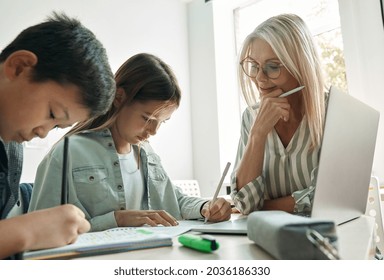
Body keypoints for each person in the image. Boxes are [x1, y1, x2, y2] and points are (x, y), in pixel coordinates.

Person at [29, 53, 232, 232]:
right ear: (119, 97)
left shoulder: (147, 153)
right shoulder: (68, 152)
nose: (153, 131)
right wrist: (115, 219)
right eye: (147, 119)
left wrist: (205, 206)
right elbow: (39, 230)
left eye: (162, 122)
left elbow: (174, 200)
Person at [0, 12, 116, 259]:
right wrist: (25, 231)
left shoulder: (11, 146)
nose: (42, 133)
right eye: (51, 113)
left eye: (56, 127)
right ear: (19, 67)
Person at [230, 14, 328, 215]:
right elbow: (245, 204)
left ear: (301, 66)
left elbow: (327, 196)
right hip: (272, 239)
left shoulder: (333, 111)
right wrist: (258, 134)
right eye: (254, 66)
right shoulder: (251, 117)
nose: (259, 78)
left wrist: (264, 206)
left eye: (272, 67)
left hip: (331, 237)